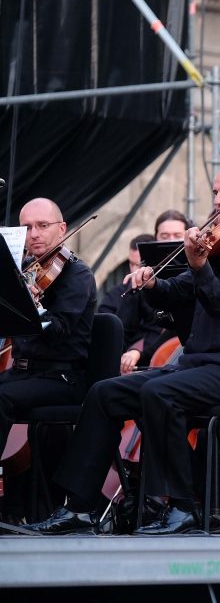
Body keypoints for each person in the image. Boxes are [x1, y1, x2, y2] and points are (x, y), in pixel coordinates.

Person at [26, 162, 220, 535]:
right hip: (199, 366)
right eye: (216, 192)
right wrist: (153, 285)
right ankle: (79, 507)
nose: (218, 200)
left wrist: (198, 263)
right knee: (105, 392)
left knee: (160, 392)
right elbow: (185, 291)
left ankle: (183, 506)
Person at [0, 199, 98, 520]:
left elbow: (61, 329)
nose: (34, 235)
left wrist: (34, 308)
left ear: (62, 229)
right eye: (27, 227)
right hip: (25, 374)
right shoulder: (22, 272)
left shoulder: (76, 274)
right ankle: (11, 507)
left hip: (62, 377)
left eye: (43, 226)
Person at [98, 234, 165, 374]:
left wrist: (138, 351)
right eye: (132, 264)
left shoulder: (164, 290)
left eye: (140, 265)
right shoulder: (117, 293)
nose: (135, 271)